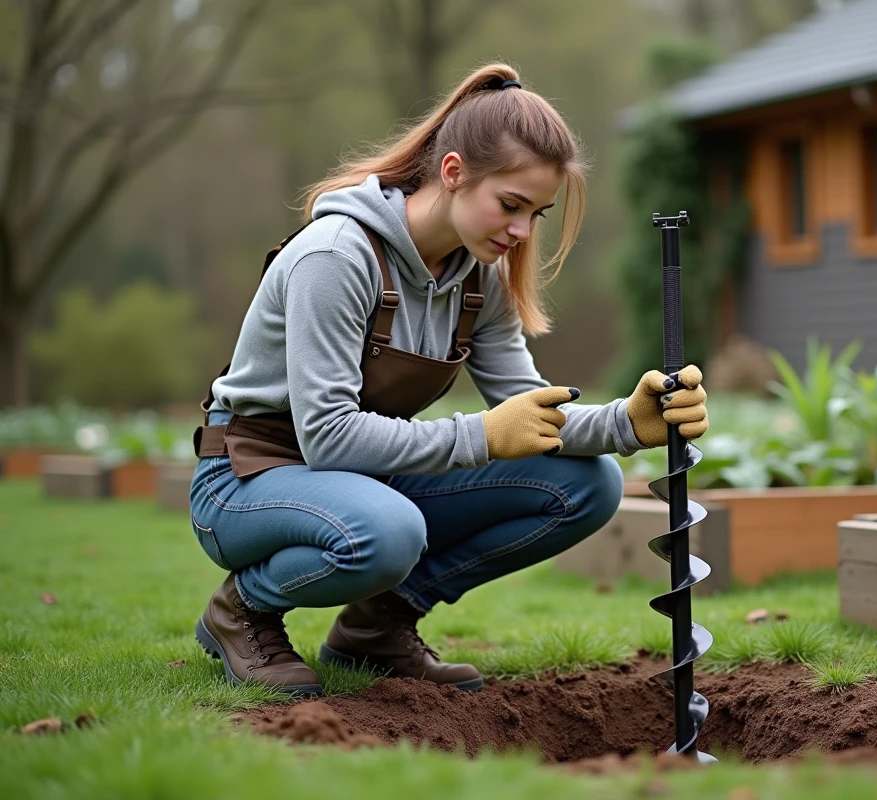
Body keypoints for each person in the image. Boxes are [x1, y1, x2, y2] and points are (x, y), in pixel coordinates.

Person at [187, 63, 709, 698]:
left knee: (587, 484)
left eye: (536, 213)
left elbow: (526, 409)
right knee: (388, 532)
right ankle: (243, 609)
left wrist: (626, 422)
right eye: (510, 205)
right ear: (454, 171)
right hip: (247, 476)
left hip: (361, 478)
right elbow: (327, 437)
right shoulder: (336, 256)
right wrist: (482, 435)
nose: (522, 232)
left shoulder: (479, 280)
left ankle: (378, 625)